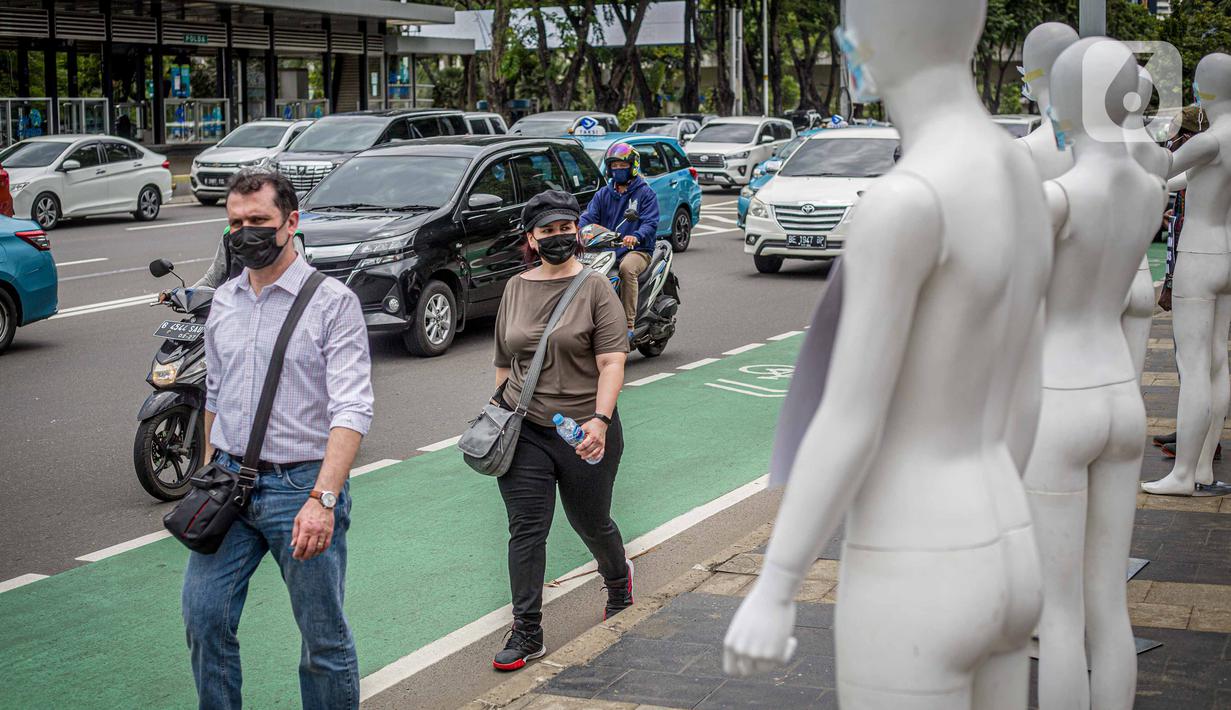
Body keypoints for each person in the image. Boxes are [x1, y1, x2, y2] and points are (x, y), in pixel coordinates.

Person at [181, 169, 373, 710]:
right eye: (236, 224)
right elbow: (214, 395)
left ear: (291, 222)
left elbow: (353, 407)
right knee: (203, 617)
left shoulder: (332, 302)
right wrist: (206, 473)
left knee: (322, 639)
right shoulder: (224, 301)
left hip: (301, 488)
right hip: (229, 488)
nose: (246, 233)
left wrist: (323, 499)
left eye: (259, 221)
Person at [490, 190, 633, 671]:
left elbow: (613, 359)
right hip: (525, 428)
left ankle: (617, 579)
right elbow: (503, 361)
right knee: (526, 530)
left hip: (584, 431)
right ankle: (527, 630)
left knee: (591, 522)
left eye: (565, 228)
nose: (558, 237)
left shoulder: (596, 287)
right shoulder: (514, 288)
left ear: (577, 231)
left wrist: (600, 419)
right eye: (547, 230)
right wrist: (498, 413)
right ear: (531, 237)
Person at [579, 142, 660, 338]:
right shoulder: (603, 194)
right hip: (606, 249)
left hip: (637, 250)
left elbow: (650, 222)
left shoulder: (645, 193)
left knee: (626, 269)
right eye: (614, 166)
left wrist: (636, 236)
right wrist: (577, 231)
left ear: (633, 166)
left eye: (622, 166)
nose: (618, 170)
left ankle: (629, 324)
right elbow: (588, 217)